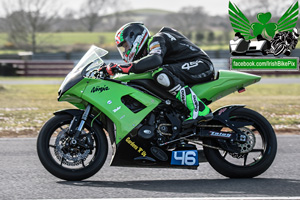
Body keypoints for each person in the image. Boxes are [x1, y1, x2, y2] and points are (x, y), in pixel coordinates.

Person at [101, 22, 214, 128]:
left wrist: (120, 68)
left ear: (136, 39)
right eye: (123, 48)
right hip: (188, 67)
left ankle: (199, 109)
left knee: (160, 74)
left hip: (201, 65)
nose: (125, 51)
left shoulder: (156, 39)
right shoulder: (149, 49)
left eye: (126, 46)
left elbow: (155, 59)